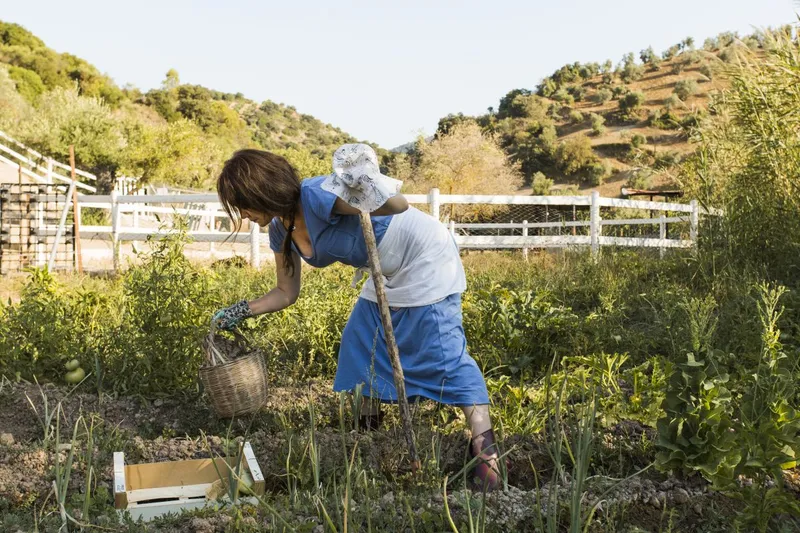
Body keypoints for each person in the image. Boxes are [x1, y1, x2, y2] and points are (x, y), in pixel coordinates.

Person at [213, 143, 502, 490]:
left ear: (262, 191)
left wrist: (364, 183)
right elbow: (285, 292)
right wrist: (242, 310)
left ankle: (488, 456)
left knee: (443, 353)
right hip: (382, 269)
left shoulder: (317, 195)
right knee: (361, 344)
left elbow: (398, 205)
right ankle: (368, 439)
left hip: (423, 255)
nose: (243, 215)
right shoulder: (280, 229)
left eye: (243, 204)